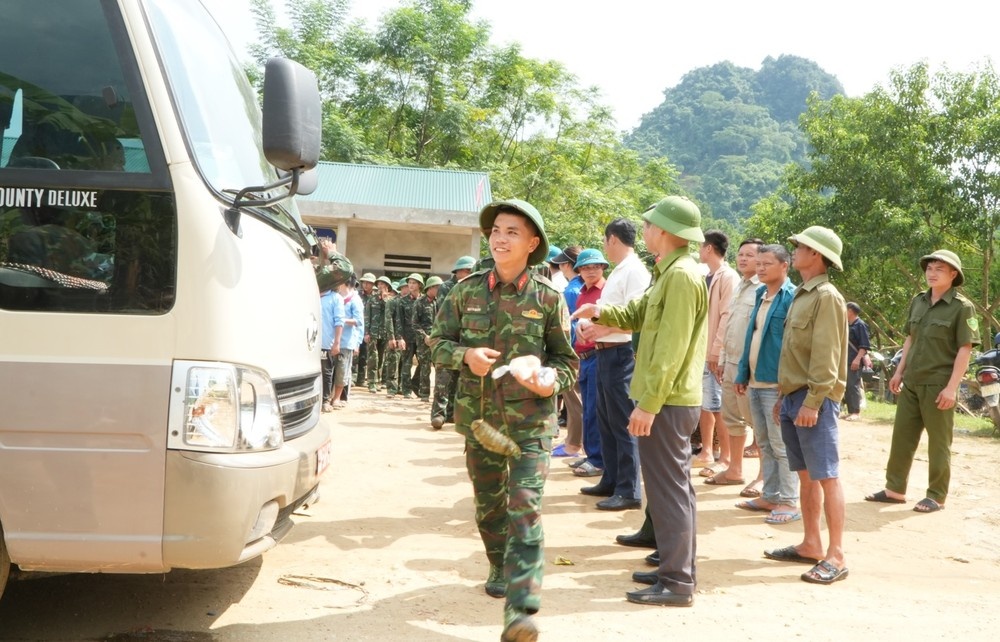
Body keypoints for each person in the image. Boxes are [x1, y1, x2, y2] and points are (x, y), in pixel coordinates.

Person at [430, 198, 577, 641]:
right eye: (496, 229)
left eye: (512, 231)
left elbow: (566, 364)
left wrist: (547, 381)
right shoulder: (465, 291)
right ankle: (498, 562)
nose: (500, 237)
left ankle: (521, 610)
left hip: (532, 424)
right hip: (481, 421)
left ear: (532, 244)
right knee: (489, 506)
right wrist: (464, 355)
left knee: (525, 508)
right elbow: (436, 343)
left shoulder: (549, 298)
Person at [575, 195, 707, 607]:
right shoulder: (669, 272)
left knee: (669, 491)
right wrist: (601, 313)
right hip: (667, 399)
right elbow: (639, 314)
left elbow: (670, 348)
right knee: (673, 489)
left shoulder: (681, 276)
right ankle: (674, 566)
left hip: (667, 401)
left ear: (664, 231)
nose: (644, 231)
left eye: (649, 225)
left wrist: (648, 404)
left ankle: (677, 581)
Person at [763, 225, 849, 585]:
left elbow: (825, 357)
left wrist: (813, 401)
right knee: (805, 474)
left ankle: (837, 555)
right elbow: (796, 354)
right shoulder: (802, 294)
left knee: (826, 476)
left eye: (799, 246)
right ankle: (812, 543)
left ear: (816, 254)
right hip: (796, 397)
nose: (794, 250)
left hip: (815, 398)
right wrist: (786, 396)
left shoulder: (826, 296)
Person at [866, 250, 977, 514]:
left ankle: (936, 495)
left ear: (953, 275)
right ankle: (894, 489)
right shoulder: (918, 301)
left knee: (938, 442)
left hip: (939, 385)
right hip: (912, 381)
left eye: (940, 268)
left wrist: (952, 388)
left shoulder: (962, 307)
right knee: (902, 437)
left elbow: (965, 349)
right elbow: (910, 339)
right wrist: (898, 371)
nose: (932, 272)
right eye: (929, 267)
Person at [576, 219, 651, 511]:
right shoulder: (621, 271)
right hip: (604, 353)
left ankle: (629, 489)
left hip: (620, 354)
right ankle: (611, 478)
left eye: (606, 241)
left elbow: (636, 318)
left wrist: (602, 330)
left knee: (622, 422)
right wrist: (590, 327)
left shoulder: (634, 271)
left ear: (613, 240)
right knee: (605, 419)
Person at [733, 245, 800, 524]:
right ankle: (770, 494)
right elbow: (752, 336)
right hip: (755, 379)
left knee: (781, 442)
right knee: (763, 441)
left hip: (776, 383)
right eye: (758, 263)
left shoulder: (792, 297)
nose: (759, 268)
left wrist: (787, 385)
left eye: (766, 264)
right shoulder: (761, 293)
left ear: (785, 266)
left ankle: (788, 500)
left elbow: (791, 346)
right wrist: (742, 373)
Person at [710, 237, 764, 493]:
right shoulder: (741, 286)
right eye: (741, 254)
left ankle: (764, 476)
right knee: (732, 418)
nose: (743, 258)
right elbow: (730, 325)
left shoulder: (764, 288)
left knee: (758, 422)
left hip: (750, 366)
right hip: (730, 362)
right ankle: (735, 470)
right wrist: (721, 358)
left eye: (750, 255)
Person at [695, 230, 740, 472]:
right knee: (706, 403)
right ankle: (707, 451)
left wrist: (716, 350)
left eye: (701, 246)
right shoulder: (707, 275)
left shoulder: (728, 277)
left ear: (709, 248)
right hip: (702, 350)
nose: (699, 251)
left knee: (719, 406)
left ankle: (725, 456)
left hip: (714, 351)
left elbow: (726, 315)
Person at [568, 248, 607, 483]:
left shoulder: (606, 291)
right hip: (582, 357)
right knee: (587, 409)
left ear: (603, 268)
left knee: (595, 409)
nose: (590, 271)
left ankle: (597, 459)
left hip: (598, 354)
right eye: (585, 267)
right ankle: (591, 454)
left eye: (595, 266)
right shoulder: (582, 293)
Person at [433, 256, 476, 428]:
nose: (465, 274)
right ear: (456, 272)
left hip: (467, 337)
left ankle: (451, 413)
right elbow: (445, 314)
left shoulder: (476, 286)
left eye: (469, 271)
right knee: (443, 376)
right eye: (463, 271)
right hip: (448, 336)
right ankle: (438, 413)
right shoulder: (447, 288)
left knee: (460, 378)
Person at [550, 246, 585, 459]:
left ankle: (574, 444)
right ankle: (573, 441)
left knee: (574, 401)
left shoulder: (571, 291)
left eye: (562, 263)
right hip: (584, 351)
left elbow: (568, 325)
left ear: (567, 265)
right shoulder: (582, 287)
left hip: (573, 350)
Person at [413, 275, 443, 406]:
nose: (439, 290)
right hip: (424, 341)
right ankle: (424, 394)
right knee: (425, 368)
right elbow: (414, 324)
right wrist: (424, 336)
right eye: (437, 287)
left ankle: (439, 395)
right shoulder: (419, 303)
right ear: (430, 288)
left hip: (438, 340)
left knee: (439, 368)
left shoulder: (439, 302)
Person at [844, 302, 871, 421]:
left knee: (853, 385)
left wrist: (857, 359)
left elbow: (864, 345)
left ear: (850, 311)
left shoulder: (860, 325)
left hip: (854, 360)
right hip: (845, 360)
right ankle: (850, 411)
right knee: (846, 386)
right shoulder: (848, 325)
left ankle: (855, 412)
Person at [397, 273, 424, 398]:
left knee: (424, 363)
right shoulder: (402, 301)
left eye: (414, 283)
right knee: (406, 364)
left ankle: (416, 384)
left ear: (419, 285)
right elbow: (399, 321)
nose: (411, 285)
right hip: (407, 338)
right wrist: (400, 338)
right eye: (410, 282)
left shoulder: (424, 300)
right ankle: (406, 390)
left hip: (421, 338)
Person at [365, 276, 391, 393]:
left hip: (385, 333)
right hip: (373, 333)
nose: (380, 286)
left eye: (383, 284)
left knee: (381, 358)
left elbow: (390, 316)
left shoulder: (390, 301)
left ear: (387, 287)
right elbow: (367, 316)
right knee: (372, 358)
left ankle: (378, 380)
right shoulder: (372, 299)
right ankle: (371, 382)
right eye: (379, 284)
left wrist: (385, 300)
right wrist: (366, 332)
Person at [355, 273, 377, 387]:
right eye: (363, 282)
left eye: (368, 283)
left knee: (365, 355)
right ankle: (353, 378)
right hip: (357, 327)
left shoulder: (376, 297)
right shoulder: (357, 295)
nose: (365, 285)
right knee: (355, 354)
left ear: (373, 284)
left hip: (370, 329)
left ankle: (361, 379)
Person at [382, 280, 403, 398]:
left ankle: (400, 387)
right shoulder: (392, 302)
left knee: (403, 363)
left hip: (405, 338)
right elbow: (388, 320)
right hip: (393, 336)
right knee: (392, 362)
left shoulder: (407, 302)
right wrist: (391, 337)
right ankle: (391, 388)